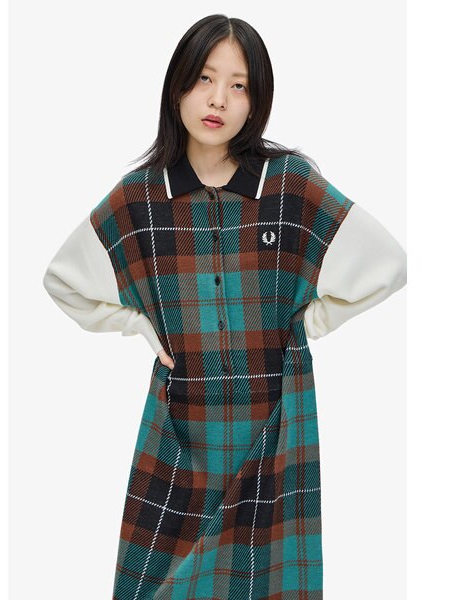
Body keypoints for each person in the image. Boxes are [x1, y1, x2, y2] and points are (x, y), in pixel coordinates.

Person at [43, 14, 406, 599]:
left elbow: (386, 264)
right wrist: (134, 323)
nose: (219, 100)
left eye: (239, 86)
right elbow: (63, 280)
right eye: (205, 79)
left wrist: (306, 323)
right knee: (156, 583)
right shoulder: (141, 198)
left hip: (274, 419)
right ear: (177, 87)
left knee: (266, 582)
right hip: (181, 425)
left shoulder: (287, 185)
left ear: (256, 102)